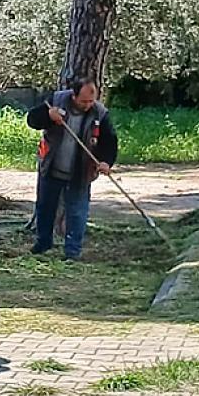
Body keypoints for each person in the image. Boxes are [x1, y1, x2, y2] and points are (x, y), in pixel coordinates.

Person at [26, 77, 118, 260]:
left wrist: (106, 162)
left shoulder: (100, 113)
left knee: (77, 213)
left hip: (81, 171)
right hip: (51, 166)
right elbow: (32, 120)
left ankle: (72, 252)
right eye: (84, 101)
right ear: (74, 95)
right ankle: (43, 243)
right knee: (45, 208)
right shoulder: (56, 101)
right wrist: (48, 116)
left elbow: (110, 141)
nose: (88, 105)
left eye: (91, 101)